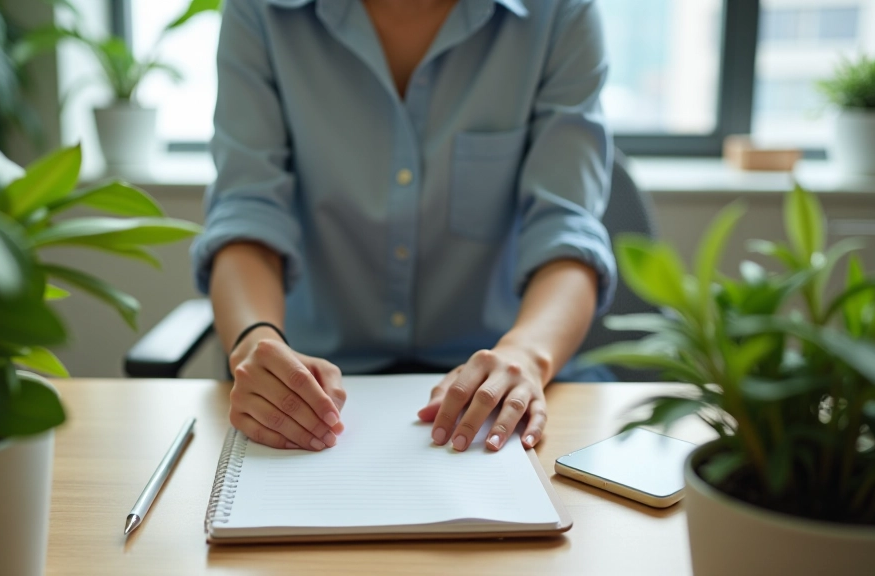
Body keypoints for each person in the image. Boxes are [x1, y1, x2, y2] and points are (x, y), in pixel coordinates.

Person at [191, 0, 616, 454]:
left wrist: (526, 354)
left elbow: (565, 230)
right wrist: (256, 340)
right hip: (316, 383)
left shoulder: (560, 12)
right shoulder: (259, 11)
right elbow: (247, 211)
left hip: (500, 376)